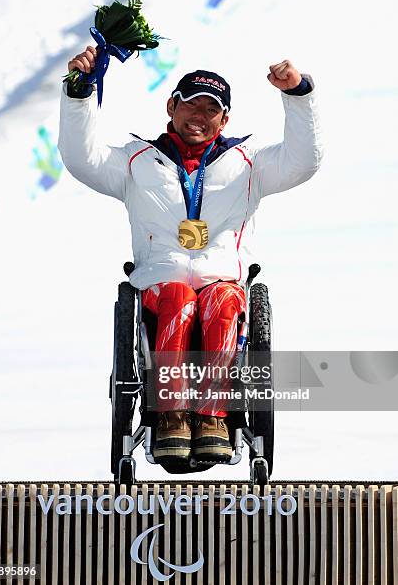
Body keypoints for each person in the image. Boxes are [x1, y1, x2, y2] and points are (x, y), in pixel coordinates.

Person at [58, 47, 323, 463]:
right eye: (190, 103)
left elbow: (303, 161)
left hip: (224, 282)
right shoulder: (136, 161)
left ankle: (214, 418)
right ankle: (172, 417)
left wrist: (298, 94)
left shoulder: (247, 163)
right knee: (179, 298)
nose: (199, 115)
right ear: (171, 106)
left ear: (225, 119)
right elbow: (81, 158)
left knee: (219, 300)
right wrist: (79, 92)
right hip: (160, 284)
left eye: (211, 108)